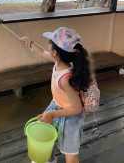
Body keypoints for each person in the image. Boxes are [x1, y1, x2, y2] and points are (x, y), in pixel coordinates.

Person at [20, 27, 93, 163]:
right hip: (56, 106)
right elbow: (42, 52)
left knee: (70, 154)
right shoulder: (60, 62)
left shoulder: (65, 79)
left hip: (71, 118)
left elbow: (77, 108)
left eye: (50, 43)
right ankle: (48, 159)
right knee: (46, 137)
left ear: (55, 53)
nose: (48, 46)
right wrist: (30, 43)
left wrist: (52, 115)